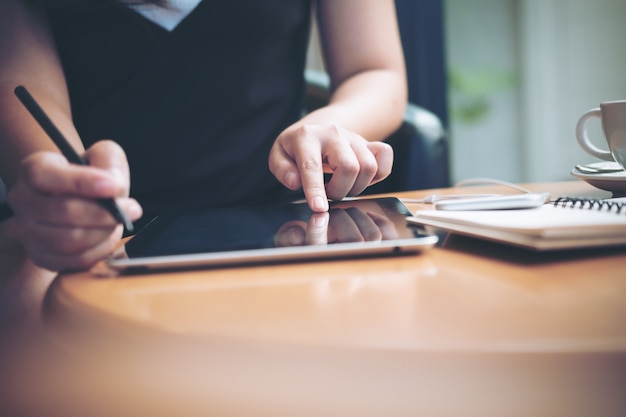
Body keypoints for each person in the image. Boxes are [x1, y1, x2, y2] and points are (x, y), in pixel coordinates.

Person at [0, 0, 407, 271]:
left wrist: (323, 125)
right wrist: (64, 193)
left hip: (279, 229)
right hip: (96, 242)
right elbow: (23, 83)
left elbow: (373, 72)